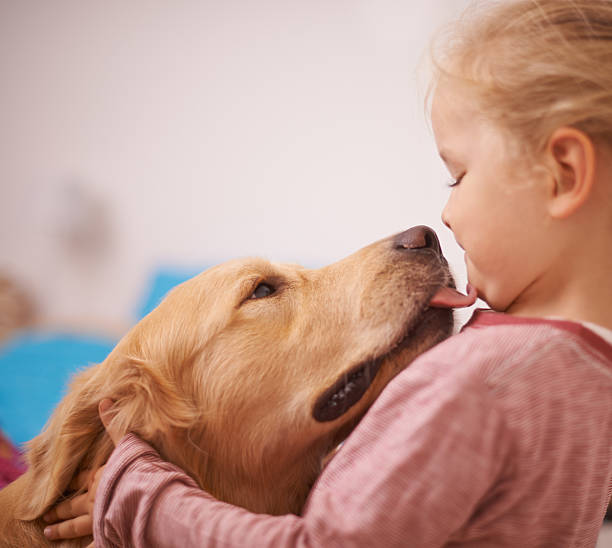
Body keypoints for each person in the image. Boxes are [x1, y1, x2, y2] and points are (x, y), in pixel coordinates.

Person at [43, 0, 612, 545]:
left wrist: (141, 497)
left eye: (457, 177)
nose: (439, 218)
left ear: (562, 174)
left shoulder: (479, 380)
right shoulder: (585, 381)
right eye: (265, 291)